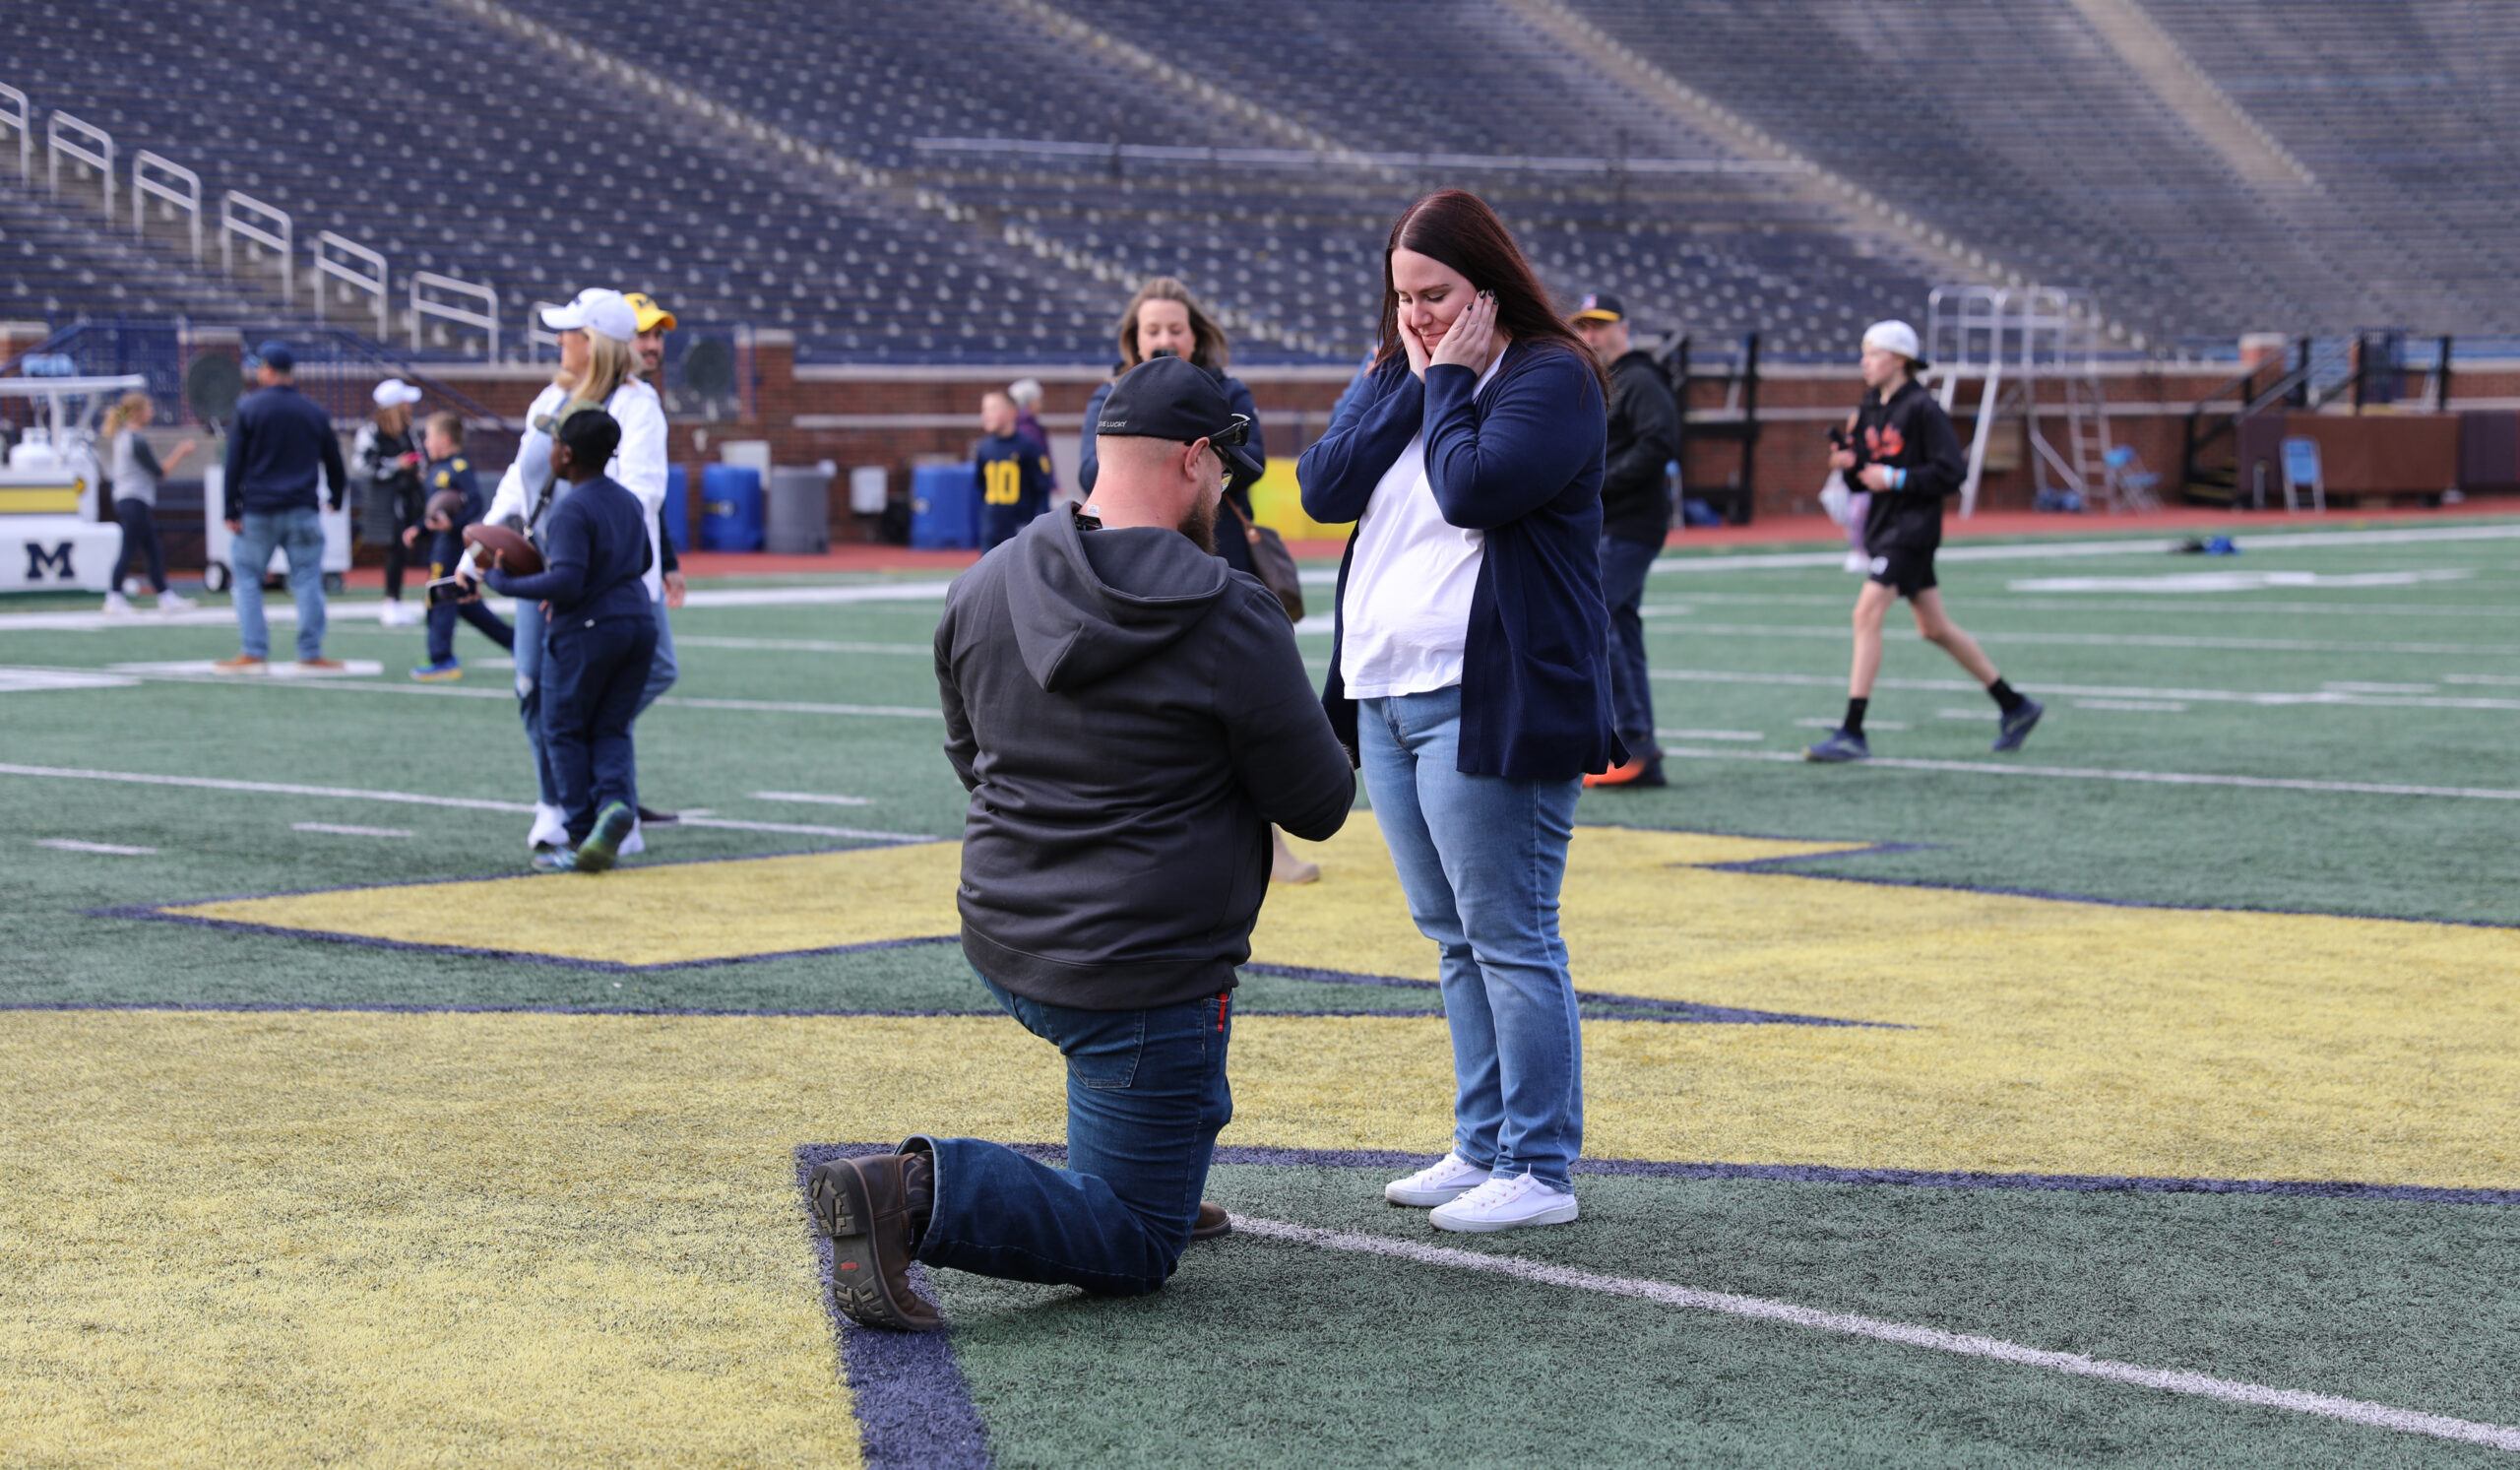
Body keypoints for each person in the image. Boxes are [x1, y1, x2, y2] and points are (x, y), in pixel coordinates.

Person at [810, 356, 1354, 1330]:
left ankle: (1154, 1161)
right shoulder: (1231, 611)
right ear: (1194, 459)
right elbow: (1317, 805)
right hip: (1140, 969)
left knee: (1160, 1080)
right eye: (1225, 469)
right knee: (1140, 1238)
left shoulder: (980, 584)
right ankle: (914, 1190)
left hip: (1005, 931)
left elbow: (971, 759)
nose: (1226, 489)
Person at [1297, 189, 1617, 1234]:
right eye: (1402, 297)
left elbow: (1473, 487)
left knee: (1510, 934)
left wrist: (1443, 382)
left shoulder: (1550, 373)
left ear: (1488, 282)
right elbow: (1323, 485)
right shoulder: (1405, 368)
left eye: (1435, 294)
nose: (1418, 314)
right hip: (1387, 690)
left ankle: (1539, 1164)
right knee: (1449, 934)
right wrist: (1414, 373)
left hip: (1491, 694)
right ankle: (1481, 1141)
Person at [1078, 276, 1319, 884]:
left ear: (1196, 335)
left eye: (1174, 330)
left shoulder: (1228, 389)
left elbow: (1253, 462)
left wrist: (1190, 426)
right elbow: (1092, 469)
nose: (1163, 340)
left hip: (1223, 554)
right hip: (1136, 564)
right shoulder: (1108, 394)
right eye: (1151, 330)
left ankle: (1271, 840)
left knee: (1249, 701)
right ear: (1133, 338)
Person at [1805, 321, 2045, 762]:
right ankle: (2015, 704)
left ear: (1899, 359)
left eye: (1872, 353)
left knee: (1865, 614)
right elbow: (1865, 482)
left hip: (1911, 531)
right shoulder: (1871, 406)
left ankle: (1853, 730)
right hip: (1885, 528)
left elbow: (1952, 472)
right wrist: (1849, 465)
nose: (1865, 362)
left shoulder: (1922, 409)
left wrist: (1894, 476)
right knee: (1933, 628)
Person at [482, 289, 668, 855]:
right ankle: (560, 804)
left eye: (571, 333)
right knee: (535, 689)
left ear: (596, 344)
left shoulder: (638, 404)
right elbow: (518, 483)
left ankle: (596, 810)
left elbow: (641, 497)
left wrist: (573, 573)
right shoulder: (550, 397)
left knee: (600, 698)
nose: (560, 341)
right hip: (552, 568)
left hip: (591, 581)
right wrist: (475, 556)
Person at [478, 407, 655, 874]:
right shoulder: (627, 500)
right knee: (611, 727)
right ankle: (617, 804)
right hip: (638, 623)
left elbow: (568, 583)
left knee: (563, 729)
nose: (551, 451)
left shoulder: (571, 508)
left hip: (587, 630)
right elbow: (642, 560)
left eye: (556, 444)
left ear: (568, 454)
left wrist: (504, 583)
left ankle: (579, 833)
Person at [1570, 291, 1680, 790]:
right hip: (1613, 523)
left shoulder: (1640, 379)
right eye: (1584, 326)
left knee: (1603, 622)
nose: (1591, 335)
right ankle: (1642, 748)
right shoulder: (1606, 381)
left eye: (1601, 325)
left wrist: (1601, 480)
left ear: (1624, 329)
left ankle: (1634, 745)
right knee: (1621, 626)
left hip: (1630, 523)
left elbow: (1661, 442)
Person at [215, 341, 347, 673]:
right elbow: (335, 461)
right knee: (307, 580)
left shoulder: (249, 408)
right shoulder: (312, 410)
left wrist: (230, 509)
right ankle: (310, 652)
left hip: (258, 509)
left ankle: (254, 652)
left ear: (268, 370)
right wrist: (336, 497)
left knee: (246, 579)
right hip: (302, 507)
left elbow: (234, 463)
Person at [623, 290, 683, 829]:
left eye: (657, 334)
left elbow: (649, 496)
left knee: (656, 668)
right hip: (609, 569)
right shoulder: (596, 399)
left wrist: (666, 560)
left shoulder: (642, 399)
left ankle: (614, 777)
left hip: (636, 565)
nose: (652, 344)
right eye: (642, 333)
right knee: (651, 668)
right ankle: (601, 758)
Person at [404, 413, 514, 681]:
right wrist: (419, 527)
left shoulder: (459, 468)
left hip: (454, 545)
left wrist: (452, 524)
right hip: (440, 543)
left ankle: (442, 658)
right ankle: (518, 643)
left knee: (441, 597)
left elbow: (474, 503)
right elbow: (432, 511)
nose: (426, 443)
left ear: (444, 439)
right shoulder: (434, 469)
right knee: (464, 602)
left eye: (429, 437)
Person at [98, 392, 196, 616]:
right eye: (149, 408)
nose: (152, 412)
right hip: (133, 499)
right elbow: (160, 472)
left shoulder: (124, 437)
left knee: (152, 548)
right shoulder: (135, 440)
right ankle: (114, 597)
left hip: (130, 499)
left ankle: (165, 596)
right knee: (129, 550)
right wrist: (181, 452)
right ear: (138, 412)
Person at [355, 379, 427, 626]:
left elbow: (420, 457)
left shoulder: (408, 431)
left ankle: (398, 600)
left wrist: (417, 469)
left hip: (409, 499)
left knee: (406, 548)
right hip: (386, 502)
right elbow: (362, 465)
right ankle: (390, 601)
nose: (410, 406)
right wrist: (396, 466)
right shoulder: (371, 431)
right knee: (394, 549)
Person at [974, 390, 1051, 549]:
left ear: (1012, 412)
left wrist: (1037, 526)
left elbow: (1042, 489)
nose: (987, 414)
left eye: (993, 408)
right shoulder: (984, 449)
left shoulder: (1028, 447)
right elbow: (981, 487)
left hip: (1019, 528)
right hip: (992, 529)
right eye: (984, 409)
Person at [1006, 377, 1062, 505]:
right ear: (1029, 402)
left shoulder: (1022, 427)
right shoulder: (1030, 430)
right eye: (1038, 400)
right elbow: (1042, 459)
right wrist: (1052, 482)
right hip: (1033, 490)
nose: (1041, 403)